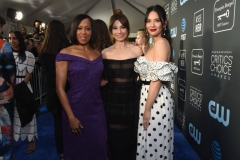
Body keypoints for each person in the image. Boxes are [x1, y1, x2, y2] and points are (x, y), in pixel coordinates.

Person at [56, 14, 107, 159]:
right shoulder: (65, 53)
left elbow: (95, 82)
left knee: (99, 148)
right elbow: (59, 88)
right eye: (79, 28)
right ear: (74, 30)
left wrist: (116, 79)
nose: (83, 32)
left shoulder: (98, 53)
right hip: (75, 109)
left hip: (97, 110)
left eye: (87, 29)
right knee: (78, 152)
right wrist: (71, 117)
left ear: (93, 31)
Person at [134, 5, 178, 160]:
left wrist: (147, 109)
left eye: (157, 21)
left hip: (155, 101)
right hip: (150, 97)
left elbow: (157, 80)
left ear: (164, 23)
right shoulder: (155, 43)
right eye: (149, 21)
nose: (152, 25)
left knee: (154, 145)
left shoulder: (161, 43)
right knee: (150, 143)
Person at [101, 12, 142, 160]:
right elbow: (101, 79)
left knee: (131, 140)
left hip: (132, 101)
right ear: (111, 30)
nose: (119, 31)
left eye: (122, 27)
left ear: (128, 28)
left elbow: (142, 76)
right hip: (112, 103)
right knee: (114, 140)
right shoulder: (105, 53)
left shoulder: (137, 50)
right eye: (115, 28)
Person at [38, 20, 70, 160]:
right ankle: (72, 149)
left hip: (52, 92)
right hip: (68, 90)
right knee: (71, 121)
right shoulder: (68, 49)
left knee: (58, 123)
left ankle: (62, 153)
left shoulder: (44, 50)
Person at [8, 31, 37, 154]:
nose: (12, 41)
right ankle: (12, 139)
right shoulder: (6, 55)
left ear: (19, 39)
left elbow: (29, 74)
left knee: (27, 113)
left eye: (14, 38)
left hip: (24, 87)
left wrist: (20, 87)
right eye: (10, 38)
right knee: (13, 115)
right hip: (9, 88)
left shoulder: (28, 55)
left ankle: (31, 140)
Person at [0, 15, 16, 160]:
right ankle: (6, 155)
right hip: (4, 93)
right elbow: (11, 69)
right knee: (6, 126)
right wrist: (12, 82)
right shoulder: (4, 45)